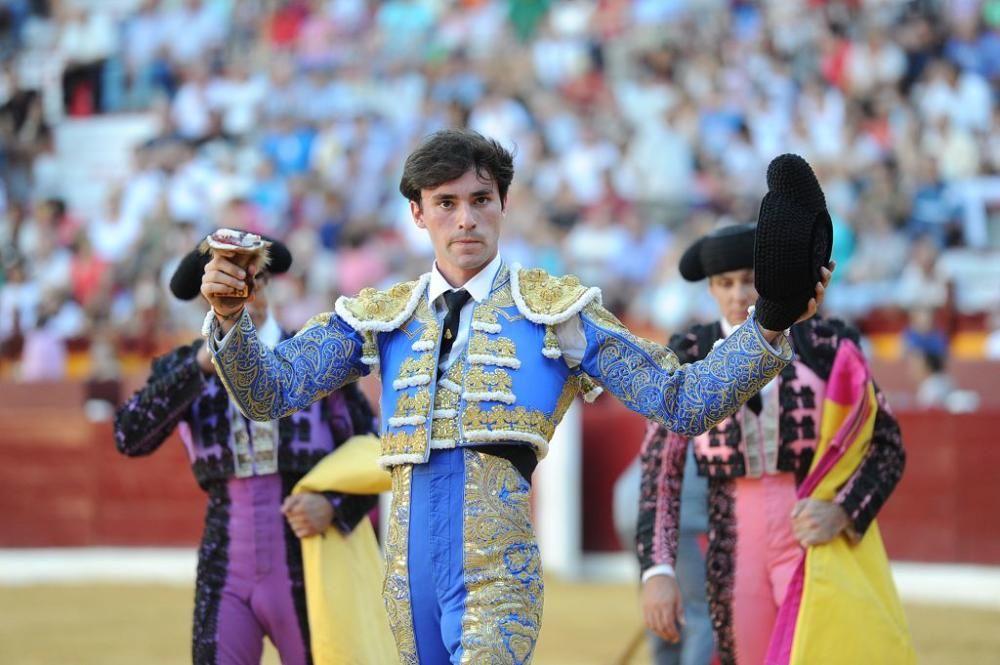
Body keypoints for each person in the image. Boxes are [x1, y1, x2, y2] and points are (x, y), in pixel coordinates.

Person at [200, 130, 830, 664]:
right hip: (406, 572)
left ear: (503, 202)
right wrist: (232, 322)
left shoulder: (557, 313)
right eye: (445, 203)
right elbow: (269, 392)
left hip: (496, 569)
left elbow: (683, 399)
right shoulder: (380, 314)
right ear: (417, 214)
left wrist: (769, 322)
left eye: (480, 199)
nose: (466, 218)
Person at [636, 224, 906, 665]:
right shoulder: (686, 352)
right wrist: (657, 569)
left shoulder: (827, 344)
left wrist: (843, 510)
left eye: (750, 279)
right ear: (711, 288)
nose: (739, 293)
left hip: (812, 528)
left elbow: (887, 445)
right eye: (725, 283)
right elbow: (658, 474)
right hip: (735, 540)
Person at [114, 237, 380, 665]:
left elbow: (376, 454)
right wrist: (203, 362)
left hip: (309, 554)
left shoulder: (315, 355)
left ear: (267, 283)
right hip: (225, 562)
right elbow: (129, 435)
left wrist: (334, 505)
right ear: (208, 297)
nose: (243, 296)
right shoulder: (184, 367)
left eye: (251, 282)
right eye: (226, 287)